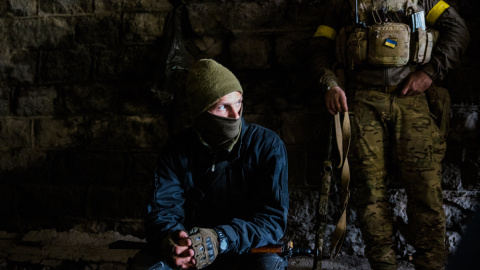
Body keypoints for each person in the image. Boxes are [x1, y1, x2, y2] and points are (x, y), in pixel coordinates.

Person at [309, 1, 469, 270]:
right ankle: (383, 265)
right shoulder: (341, 3)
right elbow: (318, 49)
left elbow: (458, 32)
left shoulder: (425, 1)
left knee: (426, 188)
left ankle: (431, 263)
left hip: (412, 99)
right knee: (369, 192)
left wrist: (429, 73)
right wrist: (330, 85)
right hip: (361, 101)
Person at [133, 59, 289, 270]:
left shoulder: (267, 146)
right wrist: (173, 241)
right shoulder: (176, 150)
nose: (235, 115)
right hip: (192, 255)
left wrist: (220, 238)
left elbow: (272, 219)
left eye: (239, 102)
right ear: (201, 113)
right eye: (222, 107)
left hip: (247, 251)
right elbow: (162, 211)